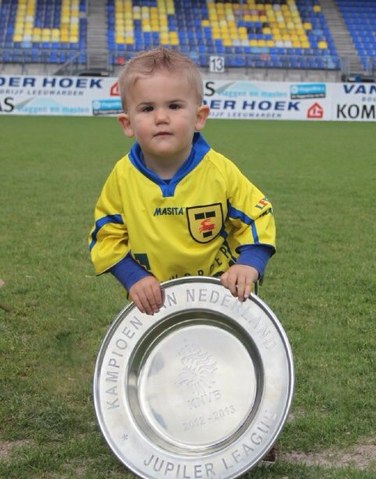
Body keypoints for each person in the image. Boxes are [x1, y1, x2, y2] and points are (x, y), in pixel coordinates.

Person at [88, 47, 276, 316]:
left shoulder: (219, 170)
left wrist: (249, 263)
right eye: (147, 108)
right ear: (127, 123)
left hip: (221, 293)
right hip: (156, 301)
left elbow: (258, 216)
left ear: (199, 117)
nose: (161, 117)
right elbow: (106, 236)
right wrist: (133, 278)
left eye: (174, 106)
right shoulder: (122, 176)